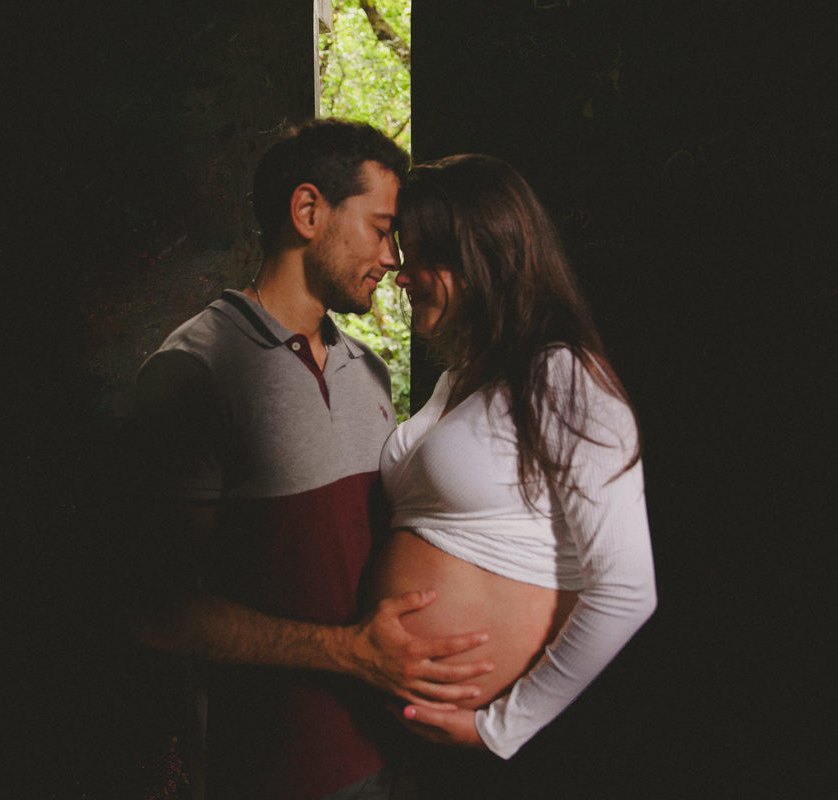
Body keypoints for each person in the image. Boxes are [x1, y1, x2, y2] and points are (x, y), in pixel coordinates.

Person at [130, 120, 494, 800]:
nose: (393, 257)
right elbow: (159, 610)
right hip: (274, 776)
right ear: (308, 212)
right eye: (382, 228)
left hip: (394, 754)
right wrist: (351, 654)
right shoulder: (191, 373)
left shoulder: (372, 376)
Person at [371, 154, 657, 767]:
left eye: (419, 254)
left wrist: (500, 728)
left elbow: (628, 588)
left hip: (512, 752)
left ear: (477, 257)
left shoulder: (563, 377)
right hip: (412, 748)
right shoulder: (457, 380)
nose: (401, 274)